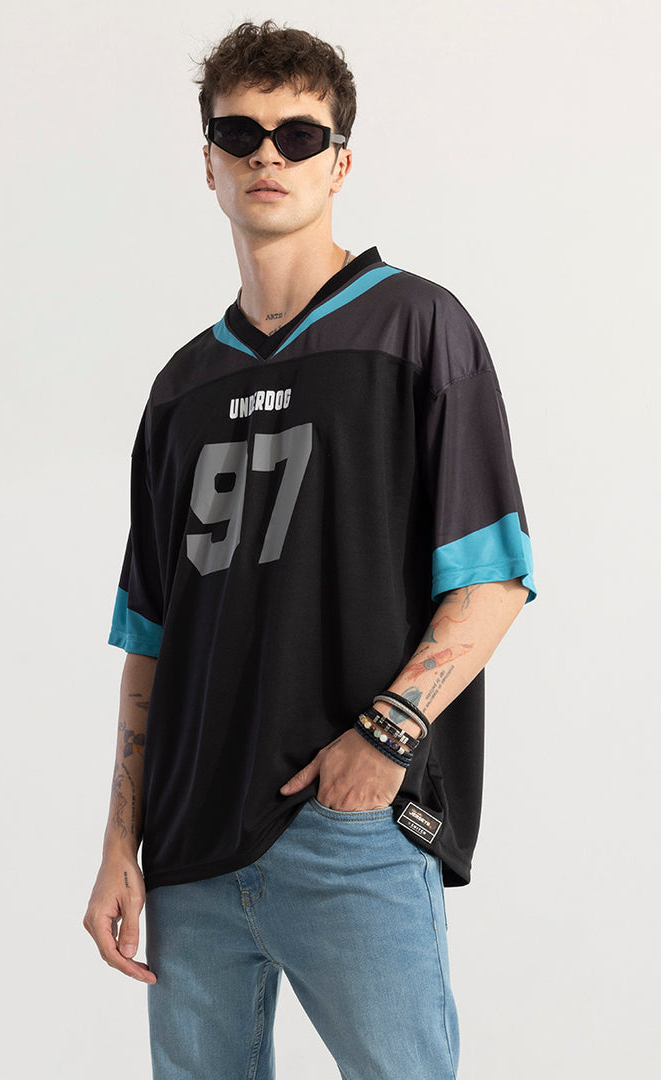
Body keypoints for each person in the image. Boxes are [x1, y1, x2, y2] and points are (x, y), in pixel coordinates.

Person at [84, 20, 536, 1080]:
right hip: (189, 847)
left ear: (341, 161)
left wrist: (382, 742)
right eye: (239, 133)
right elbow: (150, 637)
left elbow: (492, 579)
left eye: (298, 135)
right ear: (207, 160)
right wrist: (119, 844)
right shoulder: (180, 389)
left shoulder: (416, 327)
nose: (267, 155)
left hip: (350, 833)